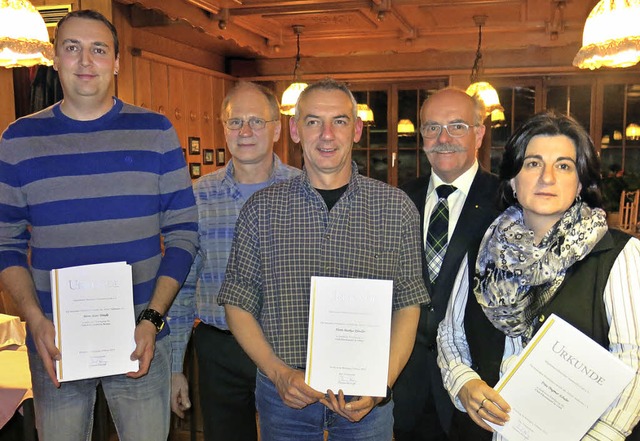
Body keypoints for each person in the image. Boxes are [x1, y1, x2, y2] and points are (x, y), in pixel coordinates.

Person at [0, 10, 198, 441]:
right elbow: (5, 242)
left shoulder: (156, 132)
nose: (85, 61)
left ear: (116, 62)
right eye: (72, 48)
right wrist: (34, 320)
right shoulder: (18, 140)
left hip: (140, 336)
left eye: (98, 49)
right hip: (56, 343)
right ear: (54, 58)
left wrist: (151, 318)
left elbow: (183, 233)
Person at [217, 78, 429, 440]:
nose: (327, 135)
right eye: (314, 121)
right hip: (284, 395)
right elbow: (237, 302)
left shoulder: (396, 209)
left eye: (340, 121)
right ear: (295, 130)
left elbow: (408, 305)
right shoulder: (261, 210)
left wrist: (383, 382)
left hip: (367, 398)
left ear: (357, 130)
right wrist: (278, 373)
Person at [437, 111, 640, 440]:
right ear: (514, 181)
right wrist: (464, 383)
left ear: (580, 183)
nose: (547, 177)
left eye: (563, 166)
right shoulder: (480, 252)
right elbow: (451, 334)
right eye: (533, 163)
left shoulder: (618, 256)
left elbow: (634, 362)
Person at [168, 81, 301, 441]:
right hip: (219, 349)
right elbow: (183, 286)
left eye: (256, 122)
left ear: (276, 129)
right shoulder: (198, 196)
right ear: (223, 128)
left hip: (287, 346)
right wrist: (175, 367)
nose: (245, 132)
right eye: (235, 122)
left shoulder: (303, 191)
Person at [393, 87, 500, 441]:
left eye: (457, 126)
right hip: (406, 383)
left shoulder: (507, 203)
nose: (443, 139)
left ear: (479, 134)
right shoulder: (399, 200)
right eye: (432, 128)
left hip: (477, 385)